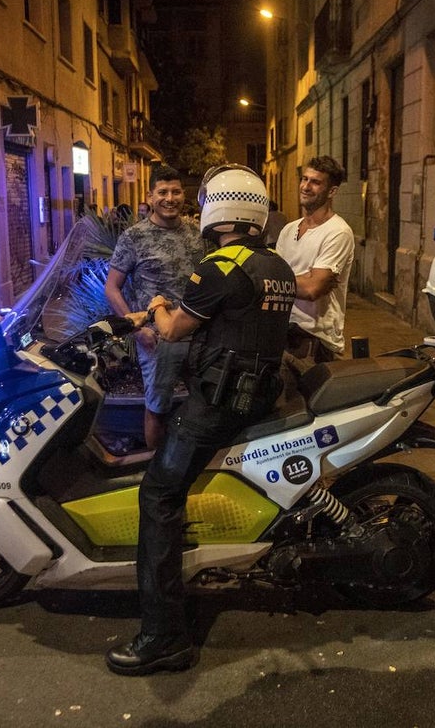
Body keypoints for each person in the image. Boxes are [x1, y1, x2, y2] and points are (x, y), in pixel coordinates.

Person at [105, 165, 296, 676]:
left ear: (220, 207)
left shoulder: (220, 266)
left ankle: (164, 635)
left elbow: (171, 330)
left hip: (219, 403)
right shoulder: (276, 263)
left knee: (158, 493)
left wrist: (161, 303)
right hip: (259, 395)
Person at [105, 165, 206, 450]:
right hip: (157, 340)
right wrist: (136, 331)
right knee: (157, 407)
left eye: (176, 191)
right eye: (163, 192)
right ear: (151, 196)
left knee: (203, 404)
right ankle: (156, 472)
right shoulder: (134, 237)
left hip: (197, 337)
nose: (170, 198)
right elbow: (112, 287)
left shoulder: (197, 234)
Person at [275, 155, 355, 370]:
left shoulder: (338, 232)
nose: (306, 186)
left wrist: (274, 281)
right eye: (304, 179)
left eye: (315, 182)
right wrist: (294, 279)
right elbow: (276, 276)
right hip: (283, 332)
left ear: (332, 191)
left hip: (315, 341)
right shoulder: (288, 229)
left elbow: (313, 288)